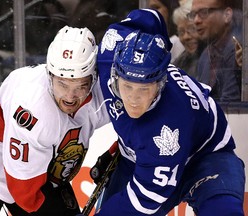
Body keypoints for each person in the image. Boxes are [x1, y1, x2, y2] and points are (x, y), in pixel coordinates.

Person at [93, 9, 245, 215]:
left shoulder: (169, 125)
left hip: (206, 157)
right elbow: (150, 16)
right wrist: (156, 49)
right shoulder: (109, 52)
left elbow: (144, 199)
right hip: (138, 159)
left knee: (223, 211)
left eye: (144, 89)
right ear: (114, 75)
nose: (133, 99)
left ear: (160, 84)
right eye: (127, 86)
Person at [0, 25, 110, 215]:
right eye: (62, 84)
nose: (70, 97)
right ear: (50, 76)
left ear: (93, 78)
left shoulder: (101, 94)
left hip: (37, 164)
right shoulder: (34, 107)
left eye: (80, 86)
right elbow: (25, 192)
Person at [188, 0, 242, 101]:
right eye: (193, 14)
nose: (196, 20)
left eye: (204, 12)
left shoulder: (237, 49)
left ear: (227, 15)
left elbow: (230, 104)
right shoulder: (205, 55)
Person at [172, 0, 205, 78]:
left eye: (192, 29)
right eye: (181, 32)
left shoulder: (214, 59)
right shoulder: (180, 62)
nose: (186, 37)